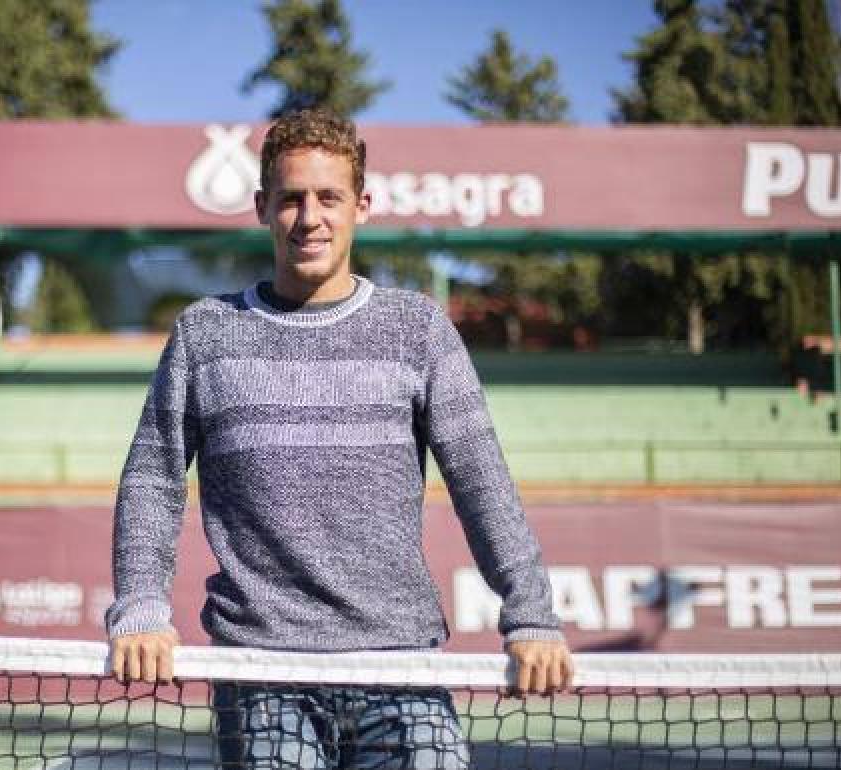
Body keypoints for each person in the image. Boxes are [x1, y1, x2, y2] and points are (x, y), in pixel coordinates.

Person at [106, 108, 572, 768]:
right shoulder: (203, 335)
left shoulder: (419, 330)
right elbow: (153, 481)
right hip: (262, 672)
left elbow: (482, 482)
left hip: (399, 667)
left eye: (329, 197)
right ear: (264, 206)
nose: (310, 217)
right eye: (292, 198)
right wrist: (141, 605)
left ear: (362, 205)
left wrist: (530, 614)